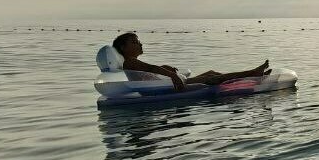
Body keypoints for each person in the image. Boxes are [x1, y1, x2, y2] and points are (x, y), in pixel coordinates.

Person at [112, 32, 270, 92]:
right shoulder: (130, 62)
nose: (140, 44)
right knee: (212, 79)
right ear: (123, 48)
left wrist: (166, 69)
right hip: (171, 88)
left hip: (170, 84)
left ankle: (250, 77)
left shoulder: (133, 63)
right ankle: (253, 74)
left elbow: (150, 71)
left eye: (138, 41)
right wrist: (172, 76)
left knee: (211, 72)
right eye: (134, 42)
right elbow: (152, 68)